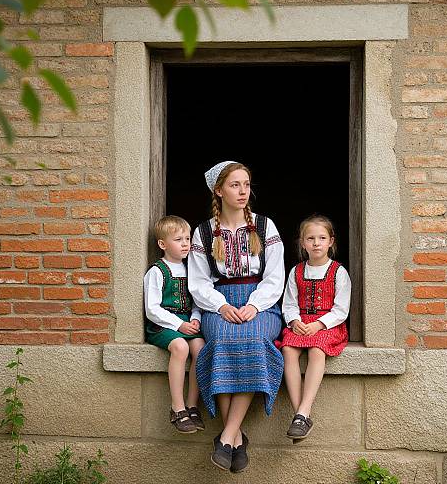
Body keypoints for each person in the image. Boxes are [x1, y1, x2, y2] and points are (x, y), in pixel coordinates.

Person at [188, 161, 284, 473]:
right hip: (219, 304)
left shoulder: (265, 226)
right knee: (224, 340)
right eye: (234, 185)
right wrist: (220, 306)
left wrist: (255, 305)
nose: (243, 191)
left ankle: (227, 435)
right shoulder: (203, 232)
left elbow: (274, 277)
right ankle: (237, 438)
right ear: (219, 190)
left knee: (254, 338)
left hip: (261, 304)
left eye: (246, 184)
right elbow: (198, 282)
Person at [276, 215, 351, 442]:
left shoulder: (338, 272)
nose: (316, 243)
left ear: (331, 241)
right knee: (288, 349)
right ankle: (301, 417)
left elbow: (341, 309)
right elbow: (289, 303)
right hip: (301, 323)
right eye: (311, 238)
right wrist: (294, 321)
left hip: (328, 324)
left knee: (317, 350)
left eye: (321, 238)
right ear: (302, 243)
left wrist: (319, 324)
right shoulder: (296, 271)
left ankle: (302, 411)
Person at [144, 215, 206, 434]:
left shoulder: (192, 270)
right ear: (163, 244)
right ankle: (177, 408)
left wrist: (196, 317)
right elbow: (152, 309)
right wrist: (179, 325)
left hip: (187, 322)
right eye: (179, 239)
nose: (185, 244)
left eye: (187, 239)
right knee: (181, 347)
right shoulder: (157, 271)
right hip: (163, 325)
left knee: (200, 348)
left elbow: (197, 300)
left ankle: (192, 405)